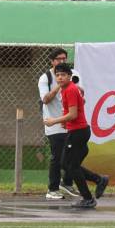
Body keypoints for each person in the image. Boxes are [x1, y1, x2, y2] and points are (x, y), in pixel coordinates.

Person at [42, 62, 109, 209]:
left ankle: (89, 197)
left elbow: (73, 114)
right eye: (57, 75)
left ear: (69, 76)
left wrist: (54, 121)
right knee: (68, 165)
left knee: (71, 166)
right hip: (76, 131)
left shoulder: (70, 90)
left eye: (63, 75)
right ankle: (99, 180)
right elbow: (78, 106)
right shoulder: (67, 89)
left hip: (78, 132)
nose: (60, 78)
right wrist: (65, 122)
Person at [38, 48, 76, 200]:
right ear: (52, 61)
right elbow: (45, 100)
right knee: (57, 157)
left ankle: (67, 182)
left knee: (74, 155)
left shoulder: (73, 74)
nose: (62, 61)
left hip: (71, 122)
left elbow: (80, 94)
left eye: (64, 59)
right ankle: (52, 189)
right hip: (53, 123)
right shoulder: (45, 78)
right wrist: (60, 84)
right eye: (59, 59)